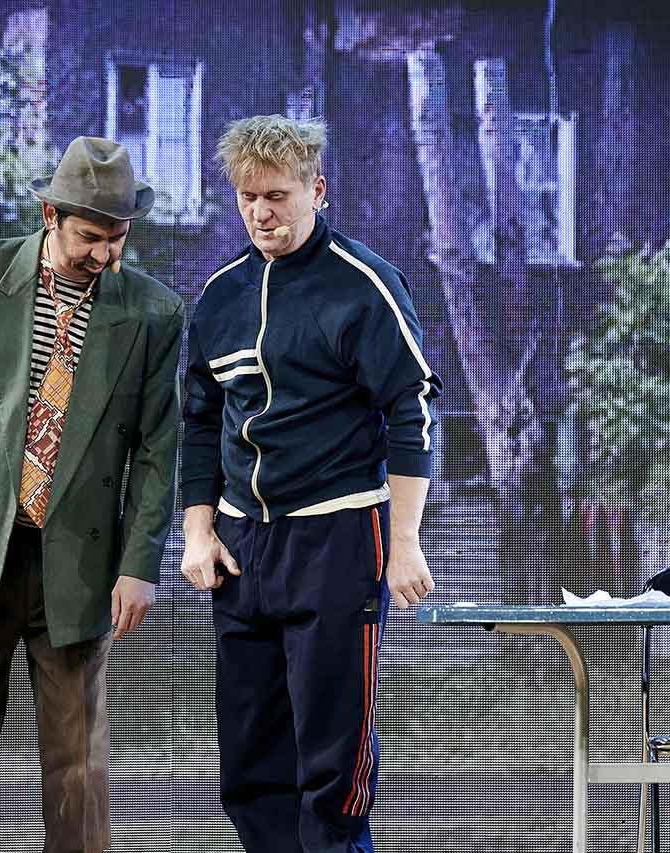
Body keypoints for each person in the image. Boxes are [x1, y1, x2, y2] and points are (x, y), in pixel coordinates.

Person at [0, 137, 184, 853]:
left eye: (117, 238)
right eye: (91, 236)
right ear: (51, 216)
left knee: (78, 755)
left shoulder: (154, 312)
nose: (105, 254)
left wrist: (139, 564)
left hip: (77, 560)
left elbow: (156, 450)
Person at [179, 114, 443, 853]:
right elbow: (199, 419)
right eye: (248, 198)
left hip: (338, 535)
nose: (262, 213)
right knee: (250, 764)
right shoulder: (220, 295)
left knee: (333, 766)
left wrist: (405, 540)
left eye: (278, 196)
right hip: (241, 544)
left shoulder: (364, 285)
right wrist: (198, 530)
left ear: (317, 190)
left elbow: (412, 410)